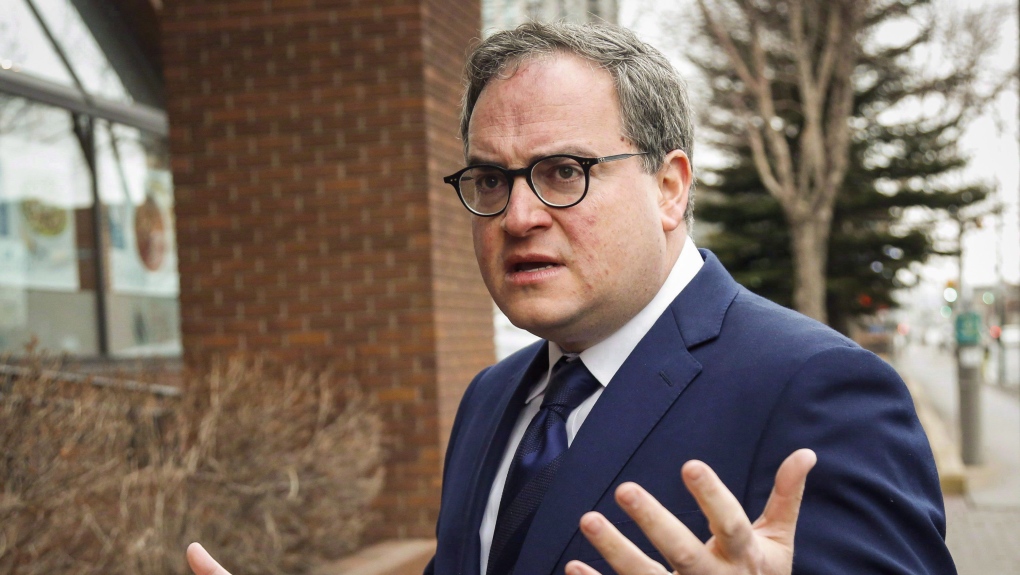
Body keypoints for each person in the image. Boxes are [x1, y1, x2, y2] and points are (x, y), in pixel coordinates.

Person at [187, 21, 954, 575]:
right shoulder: (492, 397)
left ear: (670, 186)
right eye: (491, 179)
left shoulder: (817, 388)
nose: (519, 217)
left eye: (564, 172)